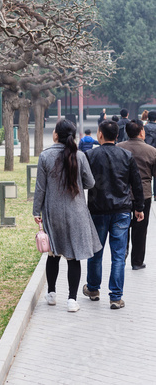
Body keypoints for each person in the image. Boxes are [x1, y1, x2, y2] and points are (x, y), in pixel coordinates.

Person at [33, 119, 102, 313]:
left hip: (52, 212)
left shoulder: (45, 156)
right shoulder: (79, 156)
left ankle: (52, 294)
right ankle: (72, 300)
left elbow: (40, 188)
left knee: (53, 253)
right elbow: (90, 183)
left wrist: (35, 211)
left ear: (56, 134)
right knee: (74, 256)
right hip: (76, 212)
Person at [83, 120, 144, 309]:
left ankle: (93, 289)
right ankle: (116, 297)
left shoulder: (90, 155)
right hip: (122, 211)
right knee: (118, 255)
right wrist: (139, 208)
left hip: (97, 210)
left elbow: (82, 182)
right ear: (117, 136)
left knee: (96, 252)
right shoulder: (127, 155)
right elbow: (136, 183)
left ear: (100, 134)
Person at [117, 120, 156, 270]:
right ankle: (137, 261)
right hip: (144, 194)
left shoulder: (119, 148)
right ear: (141, 132)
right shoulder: (151, 150)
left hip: (122, 193)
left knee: (122, 227)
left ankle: (122, 256)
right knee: (141, 229)